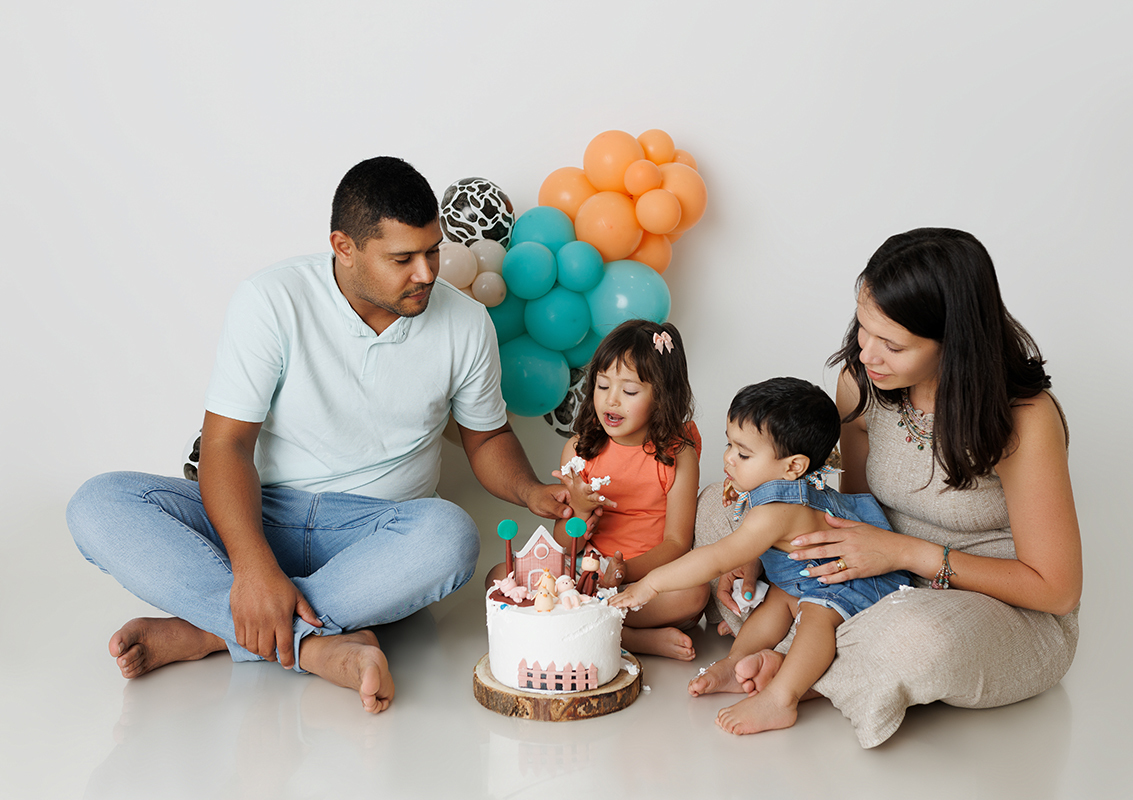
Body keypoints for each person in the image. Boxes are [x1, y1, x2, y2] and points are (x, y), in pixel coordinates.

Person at [66, 156, 571, 713]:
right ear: (344, 246)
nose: (427, 273)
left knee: (451, 537)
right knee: (100, 503)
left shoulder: (466, 321)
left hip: (376, 533)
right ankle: (313, 648)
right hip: (261, 513)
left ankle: (208, 633)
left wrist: (530, 492)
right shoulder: (272, 301)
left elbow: (486, 438)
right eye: (403, 259)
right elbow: (226, 445)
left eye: (432, 250)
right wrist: (254, 566)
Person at [694, 228, 1083, 748]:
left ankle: (792, 668)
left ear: (955, 343)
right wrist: (754, 547)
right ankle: (809, 663)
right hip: (876, 573)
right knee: (721, 507)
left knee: (916, 641)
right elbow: (847, 507)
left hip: (992, 602)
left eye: (893, 344)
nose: (867, 354)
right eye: (863, 328)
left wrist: (904, 552)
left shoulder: (1023, 420)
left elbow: (1056, 589)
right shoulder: (861, 383)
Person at [611, 377, 912, 733]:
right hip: (805, 577)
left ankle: (782, 698)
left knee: (817, 613)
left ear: (793, 467)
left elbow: (716, 558)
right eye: (729, 444)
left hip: (853, 581)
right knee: (778, 604)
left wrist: (651, 584)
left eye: (743, 453)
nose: (728, 458)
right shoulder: (774, 491)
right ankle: (737, 662)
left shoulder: (776, 511)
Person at [485, 319, 708, 660]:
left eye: (629, 391)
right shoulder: (579, 450)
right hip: (580, 573)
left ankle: (585, 623)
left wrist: (623, 573)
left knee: (693, 594)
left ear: (662, 397)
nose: (612, 401)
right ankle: (627, 637)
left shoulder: (678, 454)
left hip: (641, 577)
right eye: (603, 386)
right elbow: (563, 544)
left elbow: (677, 543)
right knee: (498, 577)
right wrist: (579, 510)